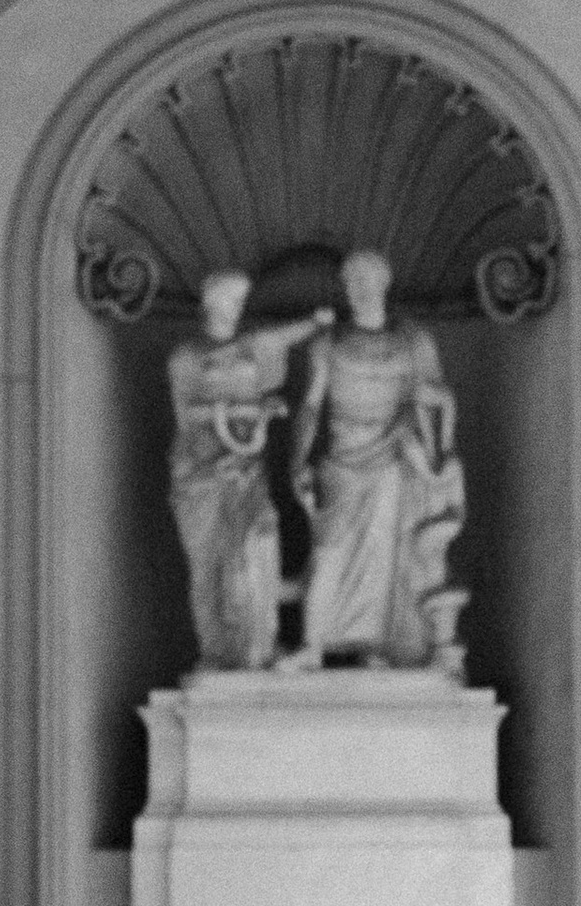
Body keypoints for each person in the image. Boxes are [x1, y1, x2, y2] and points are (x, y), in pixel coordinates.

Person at [288, 249, 466, 666]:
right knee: (329, 550)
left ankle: (375, 645)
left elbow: (438, 399)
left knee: (384, 556)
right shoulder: (327, 342)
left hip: (393, 457)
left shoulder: (412, 339)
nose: (357, 289)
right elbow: (311, 405)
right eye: (350, 281)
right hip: (341, 458)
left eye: (365, 280)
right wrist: (297, 460)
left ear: (383, 284)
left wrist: (432, 422)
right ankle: (312, 643)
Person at [165, 269, 332, 670]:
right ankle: (217, 650)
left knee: (260, 540)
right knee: (208, 563)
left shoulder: (250, 348)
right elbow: (186, 416)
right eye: (232, 300)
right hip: (202, 476)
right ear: (212, 304)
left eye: (241, 301)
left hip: (247, 472)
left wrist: (316, 323)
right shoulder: (186, 357)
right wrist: (240, 411)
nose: (238, 308)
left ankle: (260, 643)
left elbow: (283, 337)